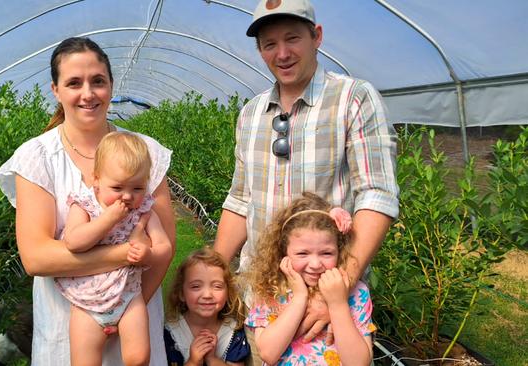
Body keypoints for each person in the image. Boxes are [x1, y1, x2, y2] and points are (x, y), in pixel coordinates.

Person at [213, 0, 398, 347]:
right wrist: (213, 270)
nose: (282, 53)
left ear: (317, 37)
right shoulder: (251, 114)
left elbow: (377, 195)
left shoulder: (353, 98)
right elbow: (241, 199)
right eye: (269, 44)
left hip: (325, 299)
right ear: (259, 50)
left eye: (292, 38)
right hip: (263, 299)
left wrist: (337, 291)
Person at [0, 37, 175, 365]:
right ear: (56, 90)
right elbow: (37, 258)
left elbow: (165, 249)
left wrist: (124, 308)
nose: (88, 93)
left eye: (98, 81)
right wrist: (127, 254)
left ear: (111, 85)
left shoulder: (145, 151)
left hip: (134, 320)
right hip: (67, 325)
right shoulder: (38, 158)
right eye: (74, 83)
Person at [55, 131, 171, 365]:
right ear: (96, 179)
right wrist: (108, 219)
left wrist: (149, 254)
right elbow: (74, 242)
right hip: (87, 302)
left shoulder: (144, 211)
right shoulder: (85, 206)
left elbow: (165, 247)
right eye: (117, 188)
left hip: (129, 297)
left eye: (137, 188)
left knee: (138, 358)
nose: (127, 196)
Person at [244, 192, 376, 365]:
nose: (315, 264)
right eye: (302, 253)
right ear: (284, 252)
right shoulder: (271, 288)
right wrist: (300, 297)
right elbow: (268, 353)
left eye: (326, 253)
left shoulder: (355, 292)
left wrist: (338, 304)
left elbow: (359, 363)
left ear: (340, 250)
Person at [164, 247, 251, 366]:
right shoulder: (171, 332)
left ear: (228, 293)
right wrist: (193, 361)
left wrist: (212, 359)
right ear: (181, 293)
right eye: (196, 286)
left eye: (217, 286)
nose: (207, 295)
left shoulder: (232, 332)